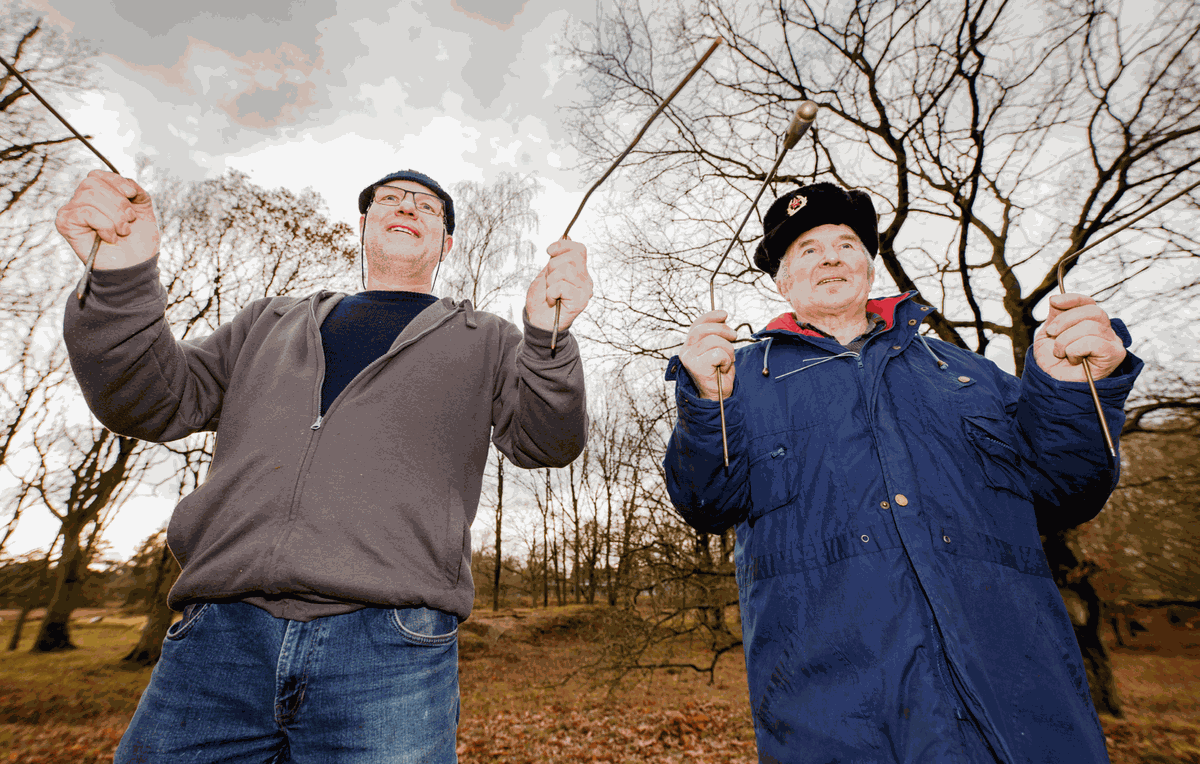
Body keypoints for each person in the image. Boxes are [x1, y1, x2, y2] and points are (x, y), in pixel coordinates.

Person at [57, 167, 593, 763]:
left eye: (428, 206)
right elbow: (149, 402)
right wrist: (119, 280)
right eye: (389, 199)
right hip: (219, 639)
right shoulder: (267, 323)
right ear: (362, 228)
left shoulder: (488, 340)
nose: (408, 205)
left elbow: (548, 444)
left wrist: (546, 339)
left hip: (392, 645)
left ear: (445, 244)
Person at [664, 182, 1141, 763]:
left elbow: (1068, 489)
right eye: (808, 249)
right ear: (783, 281)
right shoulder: (735, 382)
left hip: (1025, 716)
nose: (832, 256)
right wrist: (704, 405)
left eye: (847, 243)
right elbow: (703, 500)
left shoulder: (967, 373)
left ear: (868, 267)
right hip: (840, 730)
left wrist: (1071, 390)